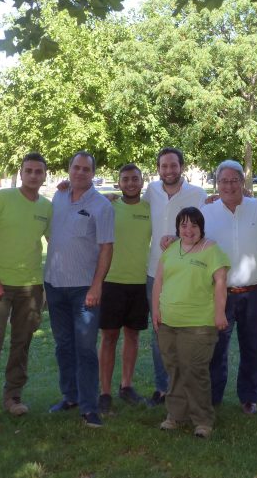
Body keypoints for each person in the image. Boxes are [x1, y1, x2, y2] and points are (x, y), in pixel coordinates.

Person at [0, 152, 51, 426]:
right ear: (21, 173)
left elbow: (55, 241)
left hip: (31, 287)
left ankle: (13, 397)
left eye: (38, 171)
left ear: (44, 175)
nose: (33, 175)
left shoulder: (47, 206)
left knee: (22, 344)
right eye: (28, 170)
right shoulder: (3, 199)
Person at [201, 160, 257, 415]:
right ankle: (213, 396)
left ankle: (249, 397)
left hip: (254, 291)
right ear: (217, 184)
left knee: (254, 346)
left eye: (234, 180)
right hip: (220, 293)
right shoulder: (206, 211)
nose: (229, 185)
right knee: (216, 347)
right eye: (224, 181)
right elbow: (189, 240)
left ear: (243, 183)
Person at [44, 151, 114, 428]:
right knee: (63, 346)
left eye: (86, 169)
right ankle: (70, 396)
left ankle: (89, 405)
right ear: (69, 169)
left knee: (85, 349)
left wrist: (97, 284)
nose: (80, 172)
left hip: (85, 288)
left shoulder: (101, 206)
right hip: (54, 284)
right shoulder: (59, 196)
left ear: (93, 173)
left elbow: (107, 248)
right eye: (76, 167)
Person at [152, 207, 230, 438]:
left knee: (194, 371)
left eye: (194, 225)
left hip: (199, 324)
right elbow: (158, 281)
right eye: (184, 225)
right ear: (178, 228)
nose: (188, 230)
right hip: (168, 322)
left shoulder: (211, 249)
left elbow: (220, 281)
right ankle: (176, 415)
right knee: (174, 369)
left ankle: (203, 420)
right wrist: (155, 310)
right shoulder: (171, 249)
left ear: (201, 228)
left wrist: (220, 313)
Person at [142, 148, 208, 406]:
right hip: (154, 273)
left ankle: (189, 387)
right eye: (164, 166)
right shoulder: (151, 192)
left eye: (173, 165)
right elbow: (130, 202)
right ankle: (163, 387)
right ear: (158, 168)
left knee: (188, 332)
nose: (169, 170)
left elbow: (205, 230)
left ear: (182, 166)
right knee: (159, 331)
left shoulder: (198, 195)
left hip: (187, 273)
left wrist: (179, 239)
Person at [98, 164, 150, 414]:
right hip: (111, 282)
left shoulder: (150, 209)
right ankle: (105, 392)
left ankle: (126, 386)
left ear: (142, 182)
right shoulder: (108, 206)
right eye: (125, 179)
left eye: (135, 179)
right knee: (109, 337)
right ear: (118, 183)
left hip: (139, 282)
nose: (130, 183)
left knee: (133, 335)